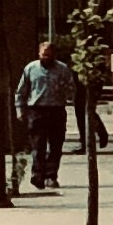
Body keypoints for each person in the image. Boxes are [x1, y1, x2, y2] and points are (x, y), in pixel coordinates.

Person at [17, 39, 72, 193]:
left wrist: (65, 91)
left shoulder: (62, 69)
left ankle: (51, 175)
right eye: (43, 55)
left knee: (55, 146)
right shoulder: (30, 68)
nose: (45, 58)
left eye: (48, 55)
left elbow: (71, 88)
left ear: (54, 55)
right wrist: (20, 109)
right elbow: (22, 90)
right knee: (37, 145)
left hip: (56, 110)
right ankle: (37, 175)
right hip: (37, 110)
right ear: (39, 54)